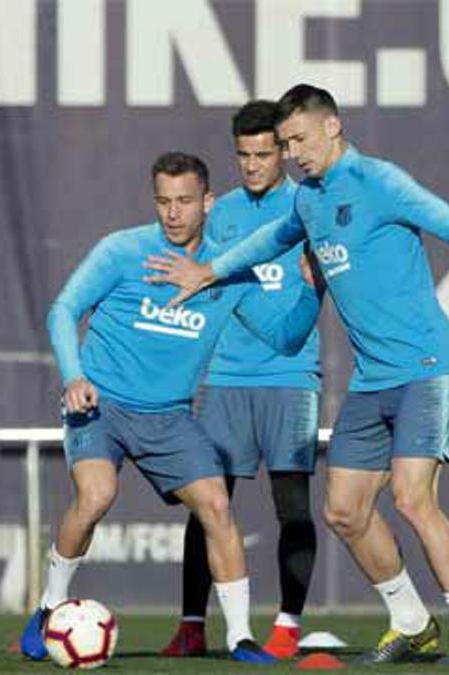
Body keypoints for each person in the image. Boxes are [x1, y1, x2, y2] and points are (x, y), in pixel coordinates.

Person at [145, 84, 449, 666]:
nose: (293, 153)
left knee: (412, 498)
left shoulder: (379, 181)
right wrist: (209, 271)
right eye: (285, 143)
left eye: (298, 140)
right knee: (343, 509)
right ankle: (411, 623)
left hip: (426, 365)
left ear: (333, 127)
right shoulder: (310, 201)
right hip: (373, 380)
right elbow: (267, 240)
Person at [19, 152, 323, 664]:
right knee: (95, 496)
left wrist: (313, 291)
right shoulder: (122, 250)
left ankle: (240, 638)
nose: (173, 213)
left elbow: (284, 338)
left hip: (169, 418)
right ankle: (49, 608)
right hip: (103, 406)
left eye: (185, 201)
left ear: (208, 202)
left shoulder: (225, 273)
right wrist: (73, 376)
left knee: (217, 506)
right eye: (164, 201)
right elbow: (63, 309)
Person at [160, 101, 319, 660]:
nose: (252, 165)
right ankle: (191, 623)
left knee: (292, 506)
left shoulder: (307, 207)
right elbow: (176, 268)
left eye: (263, 153)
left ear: (284, 151)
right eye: (243, 155)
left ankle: (286, 627)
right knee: (208, 504)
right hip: (225, 378)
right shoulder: (220, 213)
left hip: (291, 376)